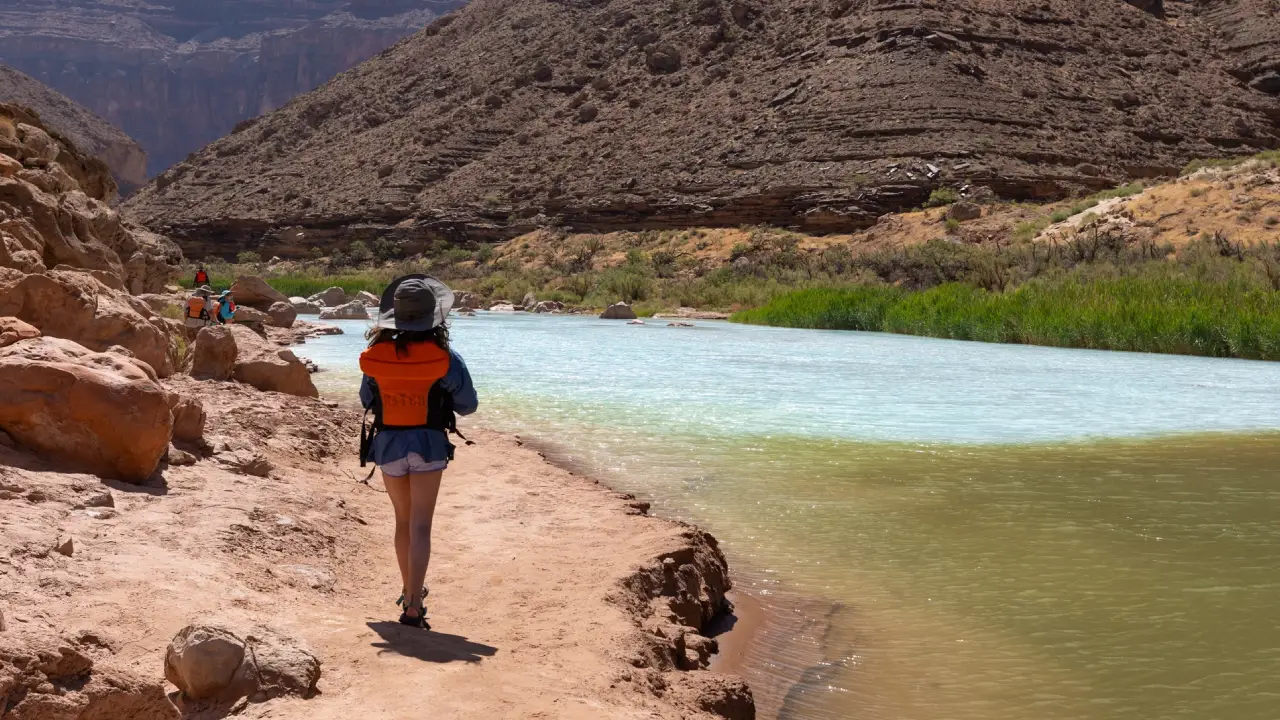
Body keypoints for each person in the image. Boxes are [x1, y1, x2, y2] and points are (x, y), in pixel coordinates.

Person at [358, 275, 477, 629]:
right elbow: (468, 406)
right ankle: (413, 604)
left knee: (403, 522)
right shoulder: (446, 358)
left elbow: (368, 400)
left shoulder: (374, 356)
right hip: (428, 446)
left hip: (389, 445)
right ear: (434, 318)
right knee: (422, 525)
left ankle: (408, 592)